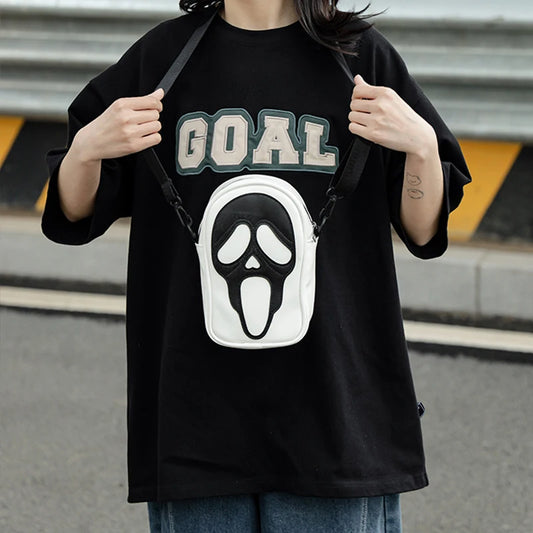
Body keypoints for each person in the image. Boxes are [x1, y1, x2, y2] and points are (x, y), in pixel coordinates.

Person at [41, 0, 471, 531]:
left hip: (336, 417)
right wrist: (86, 151)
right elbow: (74, 214)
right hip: (195, 423)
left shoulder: (359, 57)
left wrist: (422, 149)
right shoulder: (162, 59)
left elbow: (424, 232)